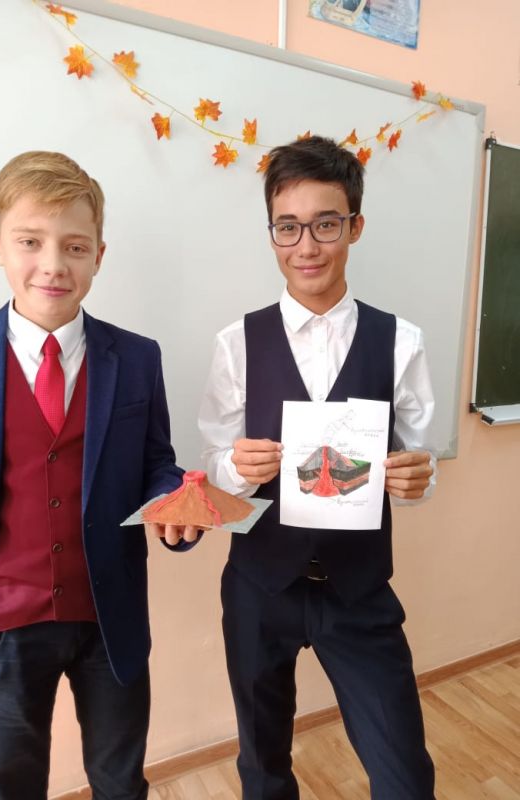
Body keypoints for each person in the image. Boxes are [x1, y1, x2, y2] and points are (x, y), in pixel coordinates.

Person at [0, 151, 198, 800]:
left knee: (120, 779)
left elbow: (154, 461)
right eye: (30, 242)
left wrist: (173, 500)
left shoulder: (137, 358)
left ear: (98, 255)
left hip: (110, 614)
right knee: (10, 783)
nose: (53, 264)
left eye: (75, 246)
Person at [199, 135, 436, 799]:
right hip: (260, 586)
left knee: (405, 774)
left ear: (354, 227)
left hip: (358, 589)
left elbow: (418, 461)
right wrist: (235, 467)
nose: (306, 246)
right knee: (263, 763)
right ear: (272, 232)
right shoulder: (236, 343)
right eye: (288, 226)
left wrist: (417, 480)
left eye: (326, 224)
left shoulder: (402, 341)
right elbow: (213, 463)